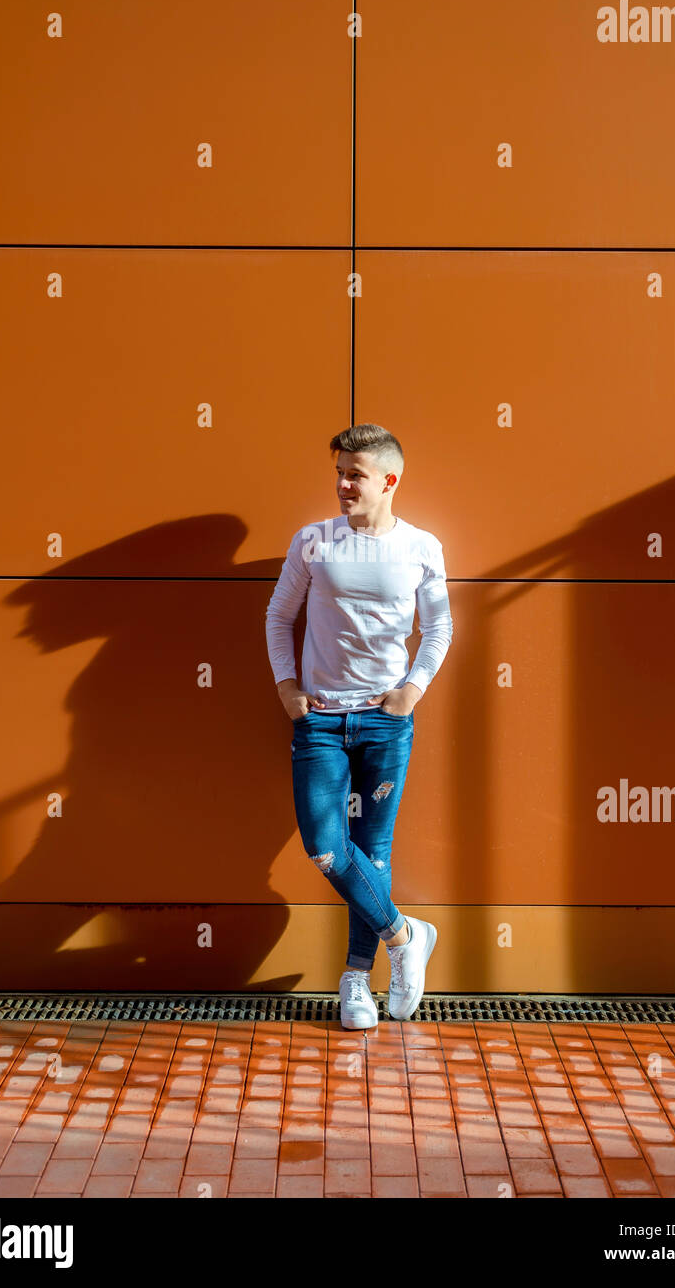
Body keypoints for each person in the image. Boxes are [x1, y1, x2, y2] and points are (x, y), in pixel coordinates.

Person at [265, 423, 453, 1028]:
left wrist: (412, 691)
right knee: (325, 847)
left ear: (389, 481)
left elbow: (440, 628)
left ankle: (354, 981)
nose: (343, 485)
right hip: (319, 720)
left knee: (372, 852)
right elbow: (279, 616)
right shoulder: (314, 542)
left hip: (385, 720)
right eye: (339, 473)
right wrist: (287, 686)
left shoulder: (422, 546)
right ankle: (405, 936)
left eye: (356, 475)